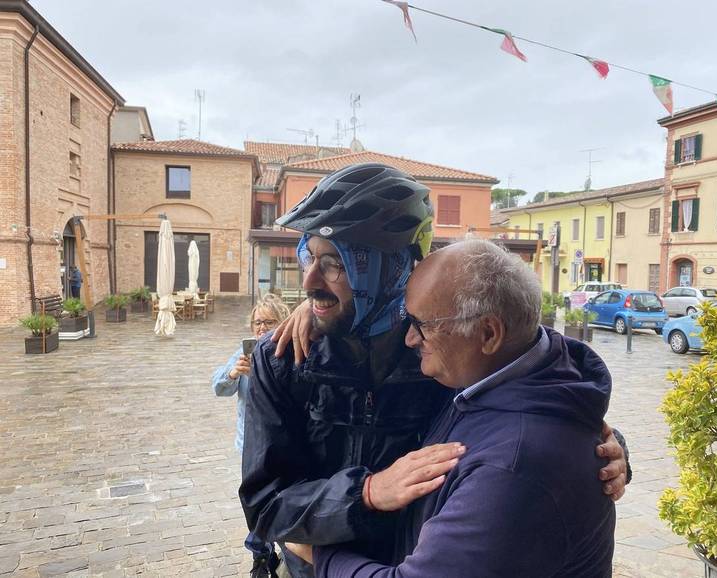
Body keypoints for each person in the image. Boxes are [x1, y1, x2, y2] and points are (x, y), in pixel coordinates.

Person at [239, 163, 629, 578]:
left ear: (395, 269)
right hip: (312, 567)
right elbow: (264, 508)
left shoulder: (447, 348)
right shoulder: (282, 358)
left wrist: (601, 450)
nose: (311, 280)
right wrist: (364, 493)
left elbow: (532, 385)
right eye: (309, 256)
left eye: (336, 263)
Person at [287, 239, 616, 576]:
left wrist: (320, 555)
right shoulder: (494, 378)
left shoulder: (511, 468)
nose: (409, 340)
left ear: (488, 333)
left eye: (422, 325)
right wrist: (319, 308)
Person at [211, 294, 290, 577]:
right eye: (257, 322)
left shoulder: (291, 349)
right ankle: (260, 556)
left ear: (282, 322)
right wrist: (234, 373)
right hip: (250, 446)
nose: (261, 328)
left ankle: (289, 551)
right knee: (256, 502)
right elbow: (218, 387)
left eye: (268, 322)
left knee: (283, 499)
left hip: (284, 446)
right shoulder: (244, 353)